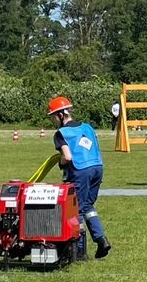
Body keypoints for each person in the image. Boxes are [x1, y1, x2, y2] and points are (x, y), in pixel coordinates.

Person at [48, 96, 111, 260]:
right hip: (97, 167)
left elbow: (67, 157)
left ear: (61, 115)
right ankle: (101, 239)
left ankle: (80, 251)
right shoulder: (88, 127)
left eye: (53, 116)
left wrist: (60, 163)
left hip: (80, 170)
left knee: (76, 210)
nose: (53, 120)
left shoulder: (60, 133)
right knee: (87, 206)